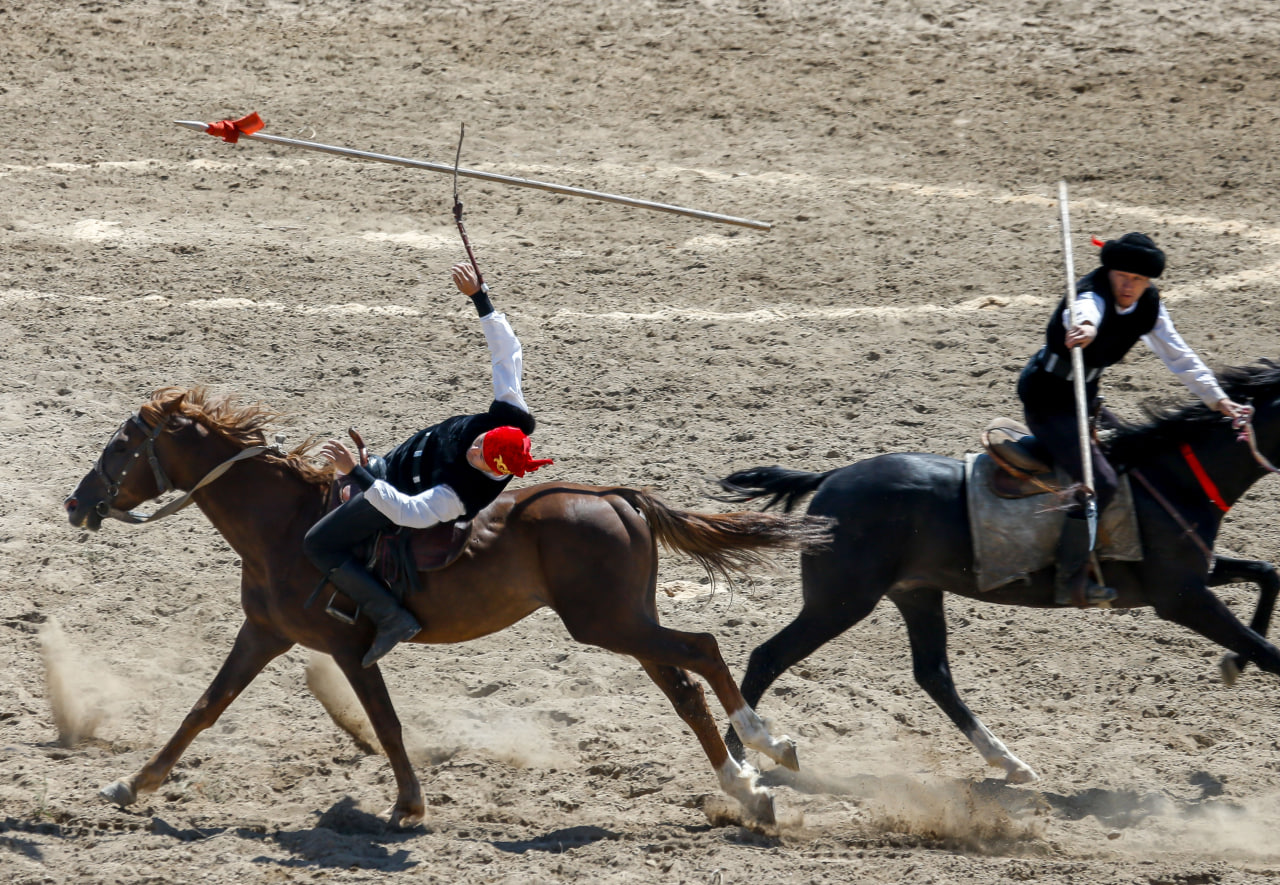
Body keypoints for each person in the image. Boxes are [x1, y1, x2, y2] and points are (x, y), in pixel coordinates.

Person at [304, 262, 553, 666]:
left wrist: (357, 472)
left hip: (393, 490)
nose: (472, 446)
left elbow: (410, 512)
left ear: (493, 468)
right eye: (480, 440)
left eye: (478, 454)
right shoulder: (508, 417)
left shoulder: (458, 496)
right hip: (393, 464)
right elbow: (507, 353)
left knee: (318, 543)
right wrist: (480, 297)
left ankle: (390, 616)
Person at [1017, 232, 1251, 606]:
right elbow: (1082, 311)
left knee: (1133, 461)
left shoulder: (1149, 308)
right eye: (1122, 276)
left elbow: (1180, 357)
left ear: (1149, 282)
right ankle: (1067, 574)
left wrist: (1219, 400)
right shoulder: (1091, 293)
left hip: (1086, 399)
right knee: (1104, 483)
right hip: (1048, 402)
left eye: (1138, 280)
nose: (1129, 286)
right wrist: (1087, 328)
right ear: (1108, 271)